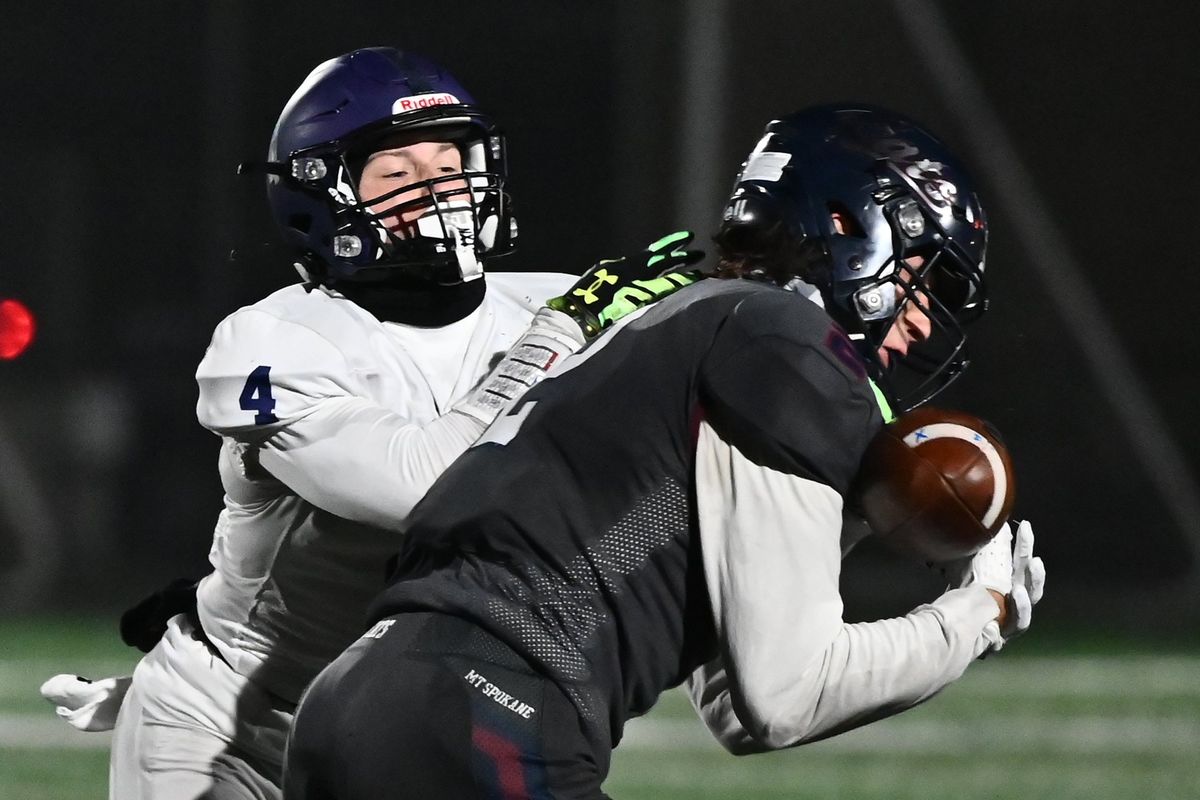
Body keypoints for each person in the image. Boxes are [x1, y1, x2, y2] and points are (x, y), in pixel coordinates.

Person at [282, 104, 1046, 800]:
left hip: (374, 704)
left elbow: (735, 706)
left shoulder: (699, 318)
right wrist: (980, 612)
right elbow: (788, 697)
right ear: (851, 226)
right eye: (923, 280)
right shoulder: (788, 347)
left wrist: (841, 516)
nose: (918, 327)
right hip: (485, 720)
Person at [80, 47, 700, 800]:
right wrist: (558, 341)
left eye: (452, 161)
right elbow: (428, 490)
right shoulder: (273, 339)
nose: (442, 188)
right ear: (322, 195)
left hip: (418, 713)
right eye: (399, 174)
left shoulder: (558, 305)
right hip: (241, 723)